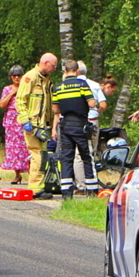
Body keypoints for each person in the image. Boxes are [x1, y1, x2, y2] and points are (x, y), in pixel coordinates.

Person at [52, 59, 99, 199]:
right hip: (80, 125)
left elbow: (55, 109)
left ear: (65, 71)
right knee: (86, 156)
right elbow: (91, 103)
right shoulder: (82, 84)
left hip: (65, 125)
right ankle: (91, 190)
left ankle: (66, 192)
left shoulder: (59, 87)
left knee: (66, 157)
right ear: (77, 71)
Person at [15, 53, 58, 199]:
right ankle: (35, 188)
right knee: (37, 154)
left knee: (42, 155)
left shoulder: (46, 80)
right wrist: (25, 121)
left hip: (42, 125)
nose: (54, 69)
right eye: (53, 66)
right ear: (45, 63)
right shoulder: (31, 77)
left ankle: (37, 186)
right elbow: (20, 100)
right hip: (32, 125)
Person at [73, 61, 106, 191]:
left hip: (77, 121)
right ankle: (92, 183)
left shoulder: (71, 85)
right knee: (91, 151)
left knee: (78, 154)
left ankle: (81, 185)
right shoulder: (95, 85)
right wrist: (96, 112)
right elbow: (103, 105)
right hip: (92, 120)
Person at [0, 65, 29, 184]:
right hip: (11, 122)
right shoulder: (7, 89)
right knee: (13, 148)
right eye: (14, 76)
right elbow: (2, 104)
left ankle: (31, 172)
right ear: (11, 77)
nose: (16, 78)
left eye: (19, 75)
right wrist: (12, 93)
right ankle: (17, 174)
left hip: (23, 119)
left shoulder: (27, 88)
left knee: (26, 147)